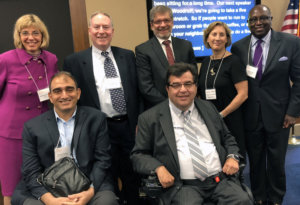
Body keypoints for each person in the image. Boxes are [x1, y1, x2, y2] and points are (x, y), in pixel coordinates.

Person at [131, 63, 253, 205]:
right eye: (176, 85)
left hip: (220, 180)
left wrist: (232, 157)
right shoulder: (149, 118)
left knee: (242, 201)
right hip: (184, 186)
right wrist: (158, 168)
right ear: (167, 89)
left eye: (188, 84)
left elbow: (227, 138)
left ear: (195, 86)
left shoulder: (208, 107)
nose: (183, 90)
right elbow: (138, 155)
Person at [63, 12, 141, 205]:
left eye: (105, 27)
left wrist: (139, 121)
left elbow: (137, 91)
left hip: (128, 125)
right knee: (107, 175)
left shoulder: (127, 56)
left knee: (133, 173)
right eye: (96, 27)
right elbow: (73, 99)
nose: (101, 31)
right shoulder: (74, 61)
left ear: (112, 31)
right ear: (90, 31)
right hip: (99, 128)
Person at [11, 71, 118, 205]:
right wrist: (49, 199)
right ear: (50, 96)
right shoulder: (32, 127)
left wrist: (89, 192)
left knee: (107, 201)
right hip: (48, 185)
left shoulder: (96, 118)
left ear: (78, 93)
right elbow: (30, 170)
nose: (64, 95)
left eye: (69, 89)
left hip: (87, 182)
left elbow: (103, 160)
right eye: (57, 91)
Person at [231, 5, 300, 205]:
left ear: (270, 19)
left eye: (263, 18)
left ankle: (277, 197)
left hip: (280, 115)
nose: (258, 23)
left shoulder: (291, 43)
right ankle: (259, 196)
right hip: (250, 115)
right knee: (256, 160)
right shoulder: (238, 47)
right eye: (253, 20)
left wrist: (292, 112)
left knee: (277, 161)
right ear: (248, 23)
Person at [0, 14, 58, 205]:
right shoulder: (5, 60)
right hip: (12, 134)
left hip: (44, 132)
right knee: (11, 187)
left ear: (43, 35)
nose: (31, 37)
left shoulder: (51, 59)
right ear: (19, 35)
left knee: (44, 183)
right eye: (25, 33)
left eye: (36, 32)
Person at [198, 21, 248, 158]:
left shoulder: (234, 61)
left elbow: (243, 94)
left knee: (233, 159)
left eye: (222, 34)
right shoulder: (206, 62)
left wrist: (221, 114)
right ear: (207, 38)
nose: (217, 38)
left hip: (230, 119)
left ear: (227, 39)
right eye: (214, 34)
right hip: (210, 120)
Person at [135, 5, 197, 110]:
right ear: (151, 25)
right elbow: (146, 87)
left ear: (172, 22)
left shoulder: (186, 46)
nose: (163, 25)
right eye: (158, 21)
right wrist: (171, 105)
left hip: (187, 106)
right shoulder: (143, 50)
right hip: (159, 108)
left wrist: (186, 100)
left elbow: (194, 77)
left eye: (166, 20)